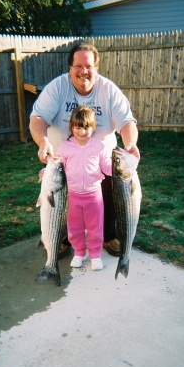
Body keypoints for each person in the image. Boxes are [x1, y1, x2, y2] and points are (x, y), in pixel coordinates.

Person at [29, 42, 140, 257]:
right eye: (78, 66)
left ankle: (108, 235)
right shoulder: (57, 88)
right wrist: (43, 142)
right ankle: (59, 238)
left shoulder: (108, 90)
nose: (84, 71)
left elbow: (127, 121)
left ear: (96, 68)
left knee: (106, 195)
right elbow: (38, 119)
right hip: (65, 159)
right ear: (70, 68)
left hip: (101, 159)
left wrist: (130, 144)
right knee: (60, 200)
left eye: (88, 66)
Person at [57, 105, 112, 270]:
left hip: (94, 194)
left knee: (95, 226)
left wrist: (123, 166)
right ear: (72, 127)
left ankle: (95, 254)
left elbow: (107, 168)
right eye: (78, 127)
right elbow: (58, 166)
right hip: (72, 195)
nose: (82, 132)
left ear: (93, 127)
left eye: (86, 127)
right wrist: (46, 172)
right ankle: (79, 252)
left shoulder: (99, 146)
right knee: (74, 227)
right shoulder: (65, 147)